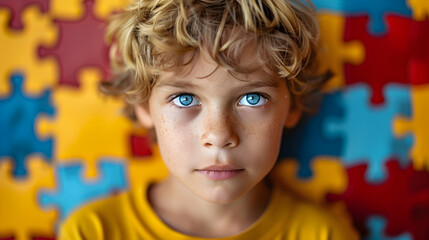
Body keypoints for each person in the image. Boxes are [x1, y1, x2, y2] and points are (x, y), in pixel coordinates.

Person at [59, 0, 359, 239]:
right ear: (143, 106)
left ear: (292, 105)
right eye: (185, 99)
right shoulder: (91, 232)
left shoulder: (323, 234)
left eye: (252, 98)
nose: (219, 135)